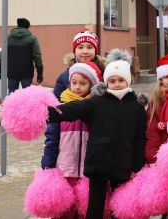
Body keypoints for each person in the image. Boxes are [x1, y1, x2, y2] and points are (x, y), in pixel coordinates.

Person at [46, 49, 146, 219]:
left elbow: (140, 138)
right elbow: (72, 109)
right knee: (95, 206)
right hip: (98, 163)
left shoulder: (136, 107)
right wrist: (46, 112)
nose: (116, 84)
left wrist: (137, 165)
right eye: (112, 80)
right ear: (106, 82)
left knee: (119, 207)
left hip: (123, 164)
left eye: (121, 80)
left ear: (128, 81)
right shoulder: (97, 102)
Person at [41, 61, 102, 218]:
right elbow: (52, 139)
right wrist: (48, 164)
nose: (77, 87)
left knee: (85, 211)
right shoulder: (60, 108)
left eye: (83, 83)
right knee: (64, 212)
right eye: (74, 82)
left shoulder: (95, 109)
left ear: (91, 86)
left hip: (87, 173)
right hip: (64, 170)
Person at [53, 29, 106, 99]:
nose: (85, 51)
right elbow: (55, 101)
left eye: (89, 47)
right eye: (80, 47)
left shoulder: (105, 73)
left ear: (95, 51)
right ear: (74, 51)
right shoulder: (65, 76)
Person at [5, 18, 43, 93]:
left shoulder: (8, 38)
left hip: (12, 71)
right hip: (27, 72)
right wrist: (40, 73)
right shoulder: (32, 39)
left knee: (12, 95)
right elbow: (37, 57)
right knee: (27, 95)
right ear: (27, 27)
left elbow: (3, 55)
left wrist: (0, 70)